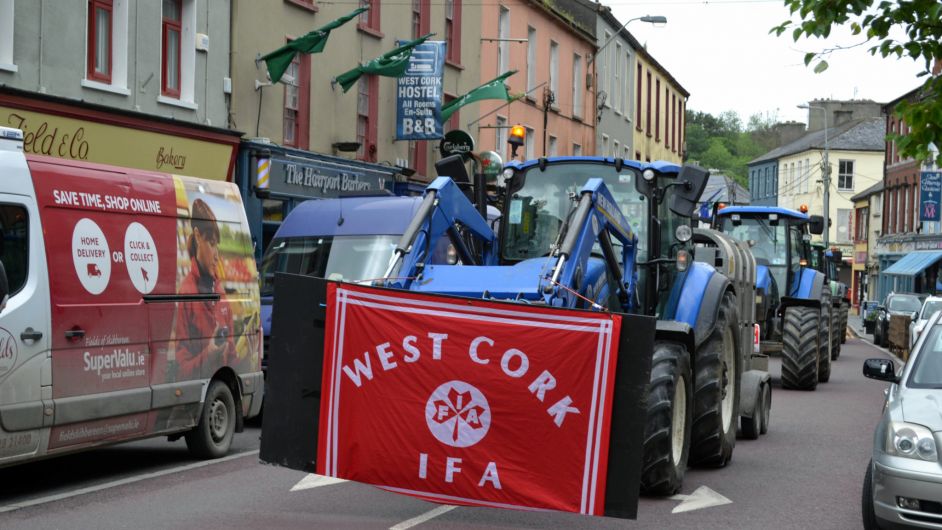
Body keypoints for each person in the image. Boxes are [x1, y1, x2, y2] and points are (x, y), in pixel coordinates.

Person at [174, 198, 235, 380]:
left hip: (221, 382)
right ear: (198, 236)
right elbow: (181, 370)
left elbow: (232, 354)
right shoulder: (187, 291)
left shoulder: (219, 288)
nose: (217, 255)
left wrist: (246, 351)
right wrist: (208, 354)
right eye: (212, 243)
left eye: (217, 245)